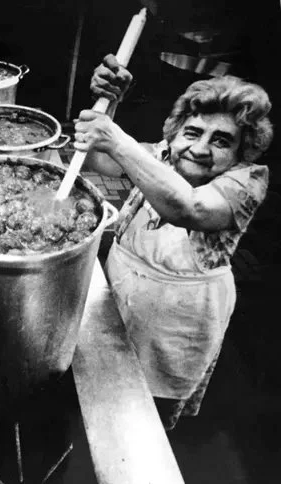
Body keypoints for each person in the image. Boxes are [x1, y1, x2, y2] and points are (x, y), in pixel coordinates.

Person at [74, 54, 273, 430]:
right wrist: (110, 103)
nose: (200, 149)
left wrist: (114, 138)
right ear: (176, 132)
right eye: (193, 133)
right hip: (121, 289)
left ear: (240, 153)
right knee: (103, 385)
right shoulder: (160, 154)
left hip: (179, 319)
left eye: (222, 141)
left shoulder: (247, 182)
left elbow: (190, 208)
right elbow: (99, 161)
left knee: (148, 411)